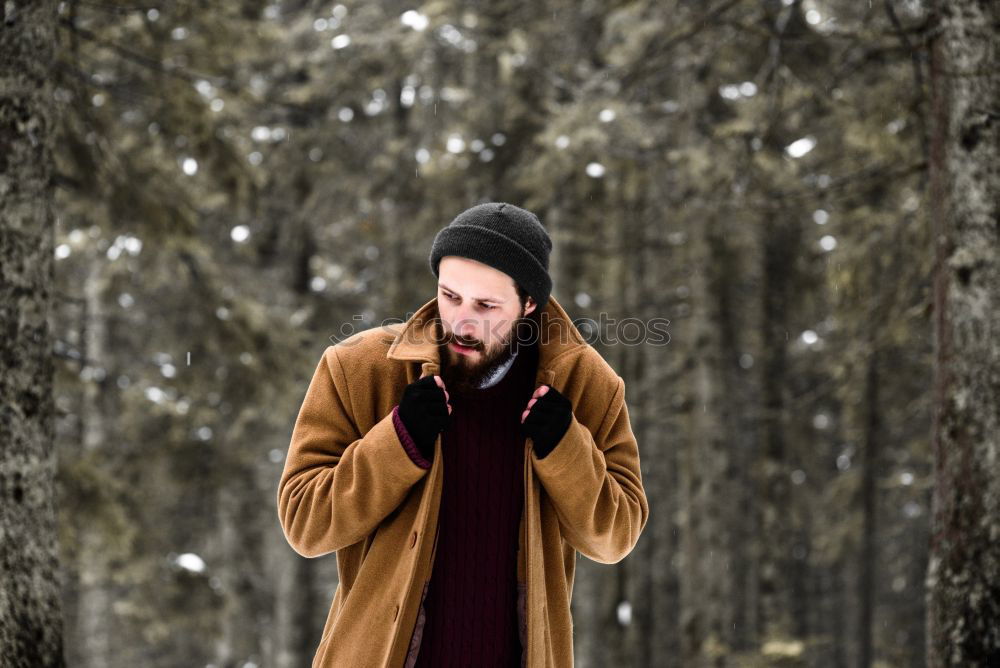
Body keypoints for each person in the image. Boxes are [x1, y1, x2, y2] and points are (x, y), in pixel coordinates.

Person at [277, 202, 648, 667]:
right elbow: (305, 524)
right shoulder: (358, 369)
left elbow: (615, 537)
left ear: (529, 303)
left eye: (486, 306)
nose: (462, 322)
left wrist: (567, 449)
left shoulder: (589, 385)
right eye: (449, 296)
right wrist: (397, 441)